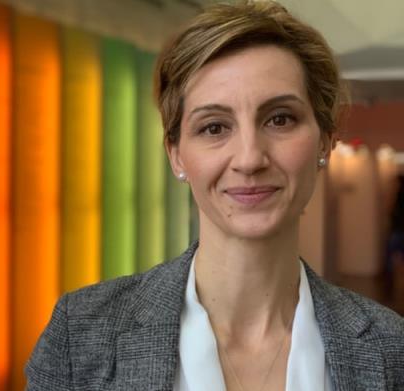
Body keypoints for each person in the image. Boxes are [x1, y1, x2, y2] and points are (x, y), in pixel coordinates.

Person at [26, 1, 404, 390]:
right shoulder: (81, 337)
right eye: (214, 127)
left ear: (325, 140)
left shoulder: (392, 351)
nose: (249, 158)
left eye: (279, 119)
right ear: (176, 154)